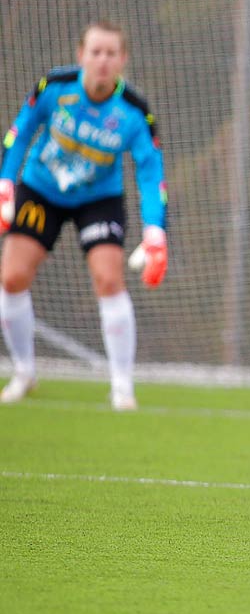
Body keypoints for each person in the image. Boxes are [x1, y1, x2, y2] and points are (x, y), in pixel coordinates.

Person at [1, 21, 168, 411]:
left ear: (123, 60)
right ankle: (24, 371)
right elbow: (19, 133)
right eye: (95, 52)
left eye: (111, 53)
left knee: (109, 279)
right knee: (11, 277)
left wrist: (155, 232)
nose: (103, 61)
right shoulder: (55, 87)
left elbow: (150, 174)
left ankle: (122, 387)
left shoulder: (134, 112)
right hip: (41, 190)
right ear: (81, 55)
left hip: (99, 199)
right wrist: (6, 183)